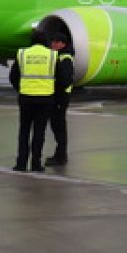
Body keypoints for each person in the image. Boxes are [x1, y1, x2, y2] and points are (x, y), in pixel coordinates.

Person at [8, 31, 73, 172]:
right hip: (45, 99)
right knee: (39, 132)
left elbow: (13, 77)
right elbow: (64, 79)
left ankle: (21, 163)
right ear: (46, 41)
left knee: (24, 131)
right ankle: (36, 164)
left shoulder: (22, 53)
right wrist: (53, 90)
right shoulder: (52, 55)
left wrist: (22, 88)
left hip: (26, 97)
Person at [44, 37, 76, 166]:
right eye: (53, 41)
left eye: (56, 42)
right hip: (59, 96)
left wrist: (56, 92)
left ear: (62, 44)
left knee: (59, 127)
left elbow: (65, 79)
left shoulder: (65, 58)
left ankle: (61, 156)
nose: (53, 44)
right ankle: (60, 154)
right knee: (57, 126)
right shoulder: (60, 56)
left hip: (60, 97)